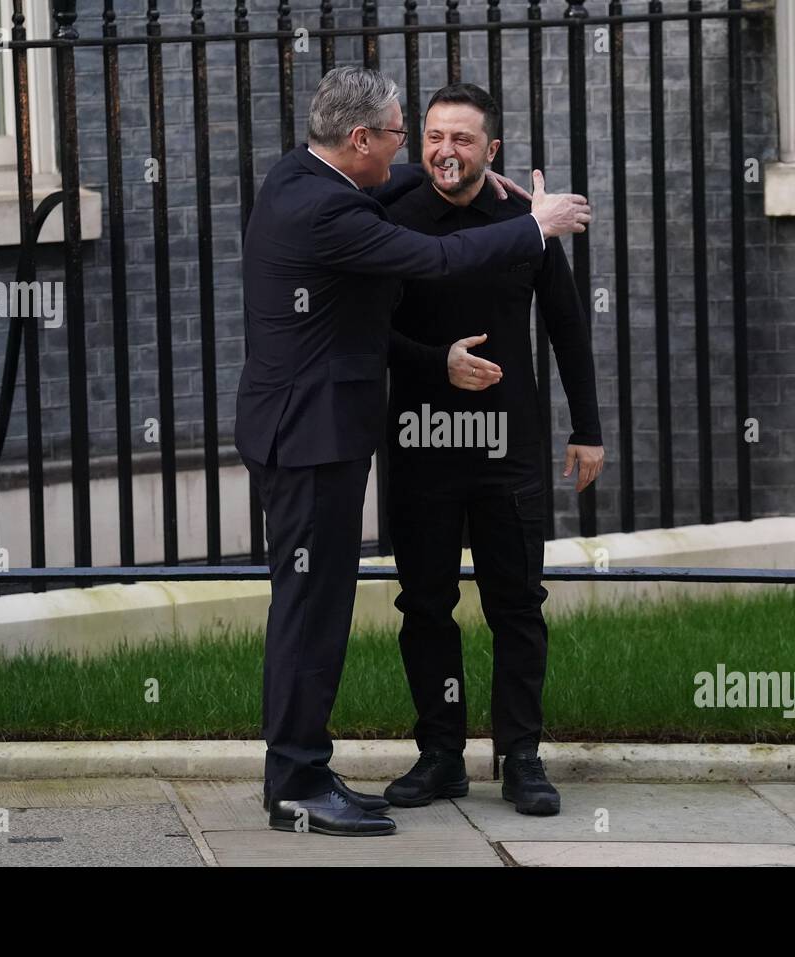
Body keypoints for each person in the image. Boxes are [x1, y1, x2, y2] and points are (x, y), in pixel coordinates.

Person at [235, 66, 591, 837]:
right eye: (406, 135)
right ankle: (297, 780)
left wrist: (474, 171)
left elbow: (411, 192)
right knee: (309, 613)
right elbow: (434, 260)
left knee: (318, 610)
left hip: (309, 434)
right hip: (310, 440)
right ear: (359, 138)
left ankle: (306, 767)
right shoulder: (329, 211)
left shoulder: (299, 175)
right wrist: (539, 221)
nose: (411, 153)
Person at [381, 84, 604, 817]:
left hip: (509, 447)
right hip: (420, 443)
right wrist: (432, 362)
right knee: (425, 605)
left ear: (493, 151)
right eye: (435, 136)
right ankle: (440, 754)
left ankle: (522, 755)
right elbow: (367, 334)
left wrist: (589, 428)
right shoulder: (393, 215)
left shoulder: (522, 219)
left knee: (517, 604)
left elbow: (567, 325)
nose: (447, 150)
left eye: (464, 139)